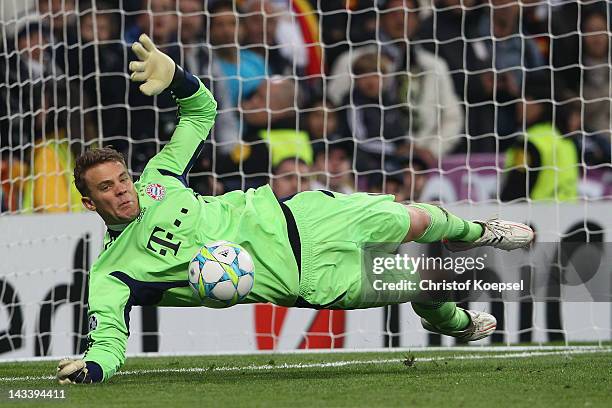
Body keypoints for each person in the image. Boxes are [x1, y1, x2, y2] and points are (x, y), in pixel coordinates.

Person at [56, 35, 534, 384]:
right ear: (89, 201)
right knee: (425, 283)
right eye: (107, 188)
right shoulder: (113, 274)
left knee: (415, 219)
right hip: (309, 278)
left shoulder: (159, 178)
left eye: (122, 178)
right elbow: (110, 334)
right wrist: (93, 368)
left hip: (303, 214)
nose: (122, 191)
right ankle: (450, 322)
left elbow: (200, 112)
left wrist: (178, 77)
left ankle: (481, 230)